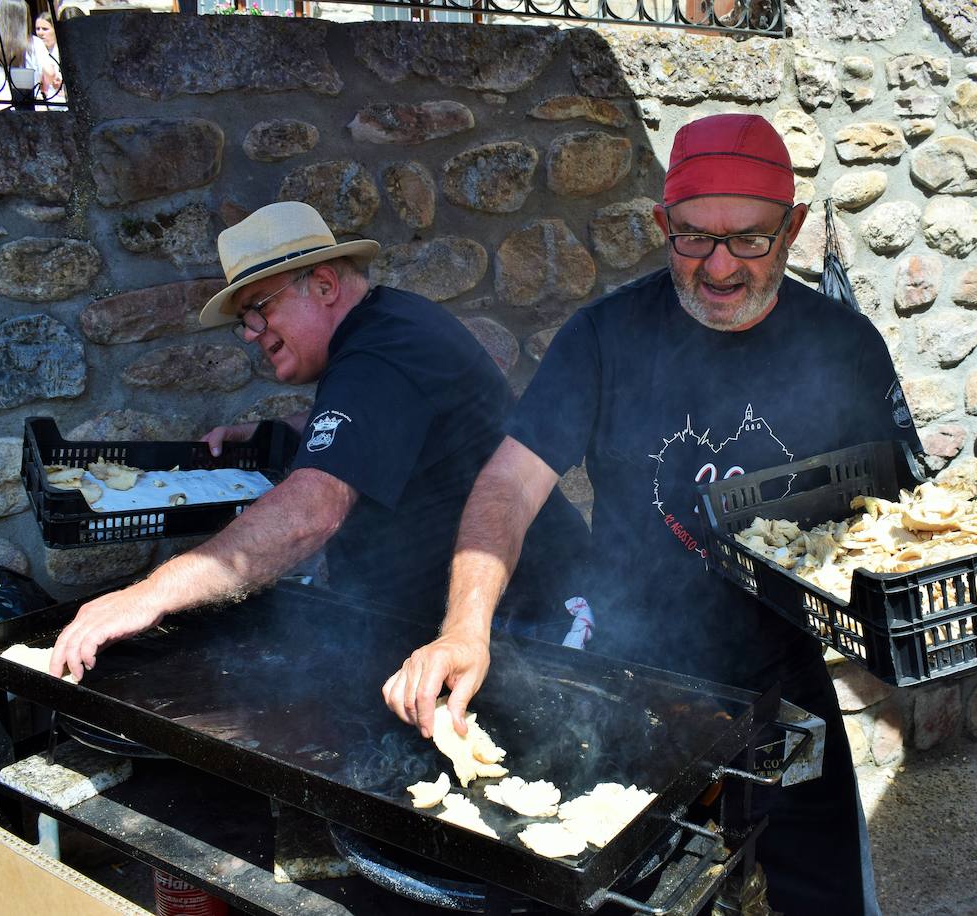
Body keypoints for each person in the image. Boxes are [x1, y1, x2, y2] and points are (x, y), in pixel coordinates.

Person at [383, 113, 921, 915]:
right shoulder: (605, 337)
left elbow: (898, 514)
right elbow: (507, 486)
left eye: (750, 240)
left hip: (787, 683)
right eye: (694, 238)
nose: (720, 268)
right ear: (662, 225)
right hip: (635, 679)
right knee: (630, 893)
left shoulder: (845, 347)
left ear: (794, 228)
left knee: (829, 896)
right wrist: (467, 626)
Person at [49, 201, 587, 682]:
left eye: (260, 309)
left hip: (525, 624)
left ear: (326, 286)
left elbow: (312, 512)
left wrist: (150, 595)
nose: (254, 333)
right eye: (244, 321)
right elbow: (379, 423)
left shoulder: (378, 355)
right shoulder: (385, 329)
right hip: (448, 617)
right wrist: (285, 435)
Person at [0, 0, 53, 110]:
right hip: (34, 107)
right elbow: (50, 73)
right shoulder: (35, 43)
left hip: (3, 106)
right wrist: (43, 84)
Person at [33, 11, 65, 108]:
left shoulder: (62, 51)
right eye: (38, 29)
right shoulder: (36, 51)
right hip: (44, 104)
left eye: (45, 29)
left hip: (62, 104)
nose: (40, 33)